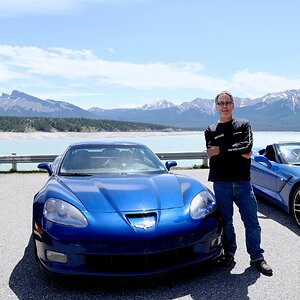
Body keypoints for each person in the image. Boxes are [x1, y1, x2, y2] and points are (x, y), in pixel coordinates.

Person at [204, 90, 273, 276]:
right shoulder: (210, 130)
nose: (224, 106)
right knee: (226, 222)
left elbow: (247, 148)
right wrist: (235, 151)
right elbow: (213, 153)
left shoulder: (244, 125)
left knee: (252, 222)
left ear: (233, 105)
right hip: (221, 183)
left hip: (243, 183)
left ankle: (257, 257)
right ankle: (229, 254)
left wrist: (221, 150)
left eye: (227, 102)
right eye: (220, 103)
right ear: (216, 106)